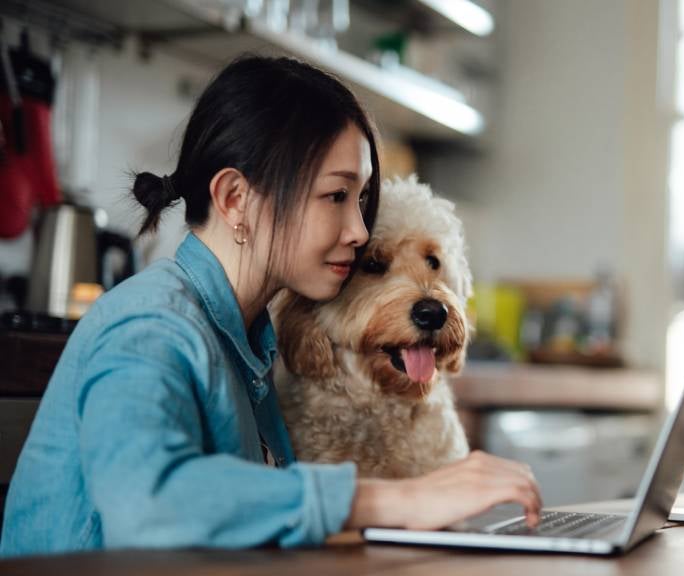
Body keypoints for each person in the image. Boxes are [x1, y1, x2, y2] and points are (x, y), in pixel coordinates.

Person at [0, 56, 541, 557]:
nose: (357, 229)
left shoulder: (247, 338)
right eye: (336, 196)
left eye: (361, 199)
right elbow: (148, 503)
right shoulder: (151, 326)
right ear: (235, 198)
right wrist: (395, 500)